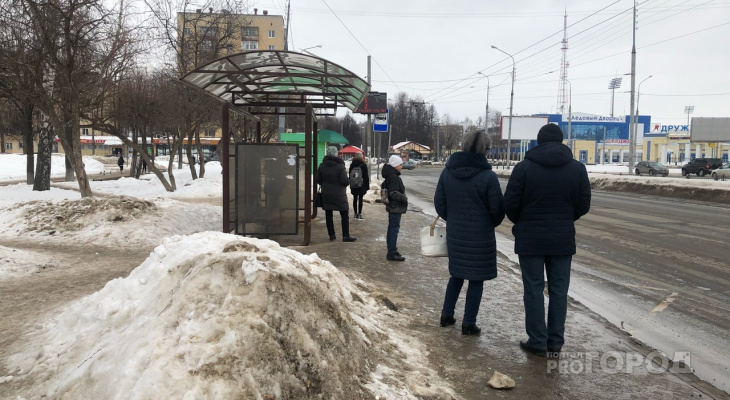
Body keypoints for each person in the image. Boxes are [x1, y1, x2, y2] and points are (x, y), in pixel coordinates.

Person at [503, 123, 591, 356]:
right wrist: (565, 218)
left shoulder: (523, 168)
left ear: (539, 142)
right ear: (561, 141)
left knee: (533, 289)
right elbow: (583, 205)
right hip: (562, 238)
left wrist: (523, 221)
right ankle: (555, 342)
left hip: (530, 239)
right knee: (559, 291)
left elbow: (510, 204)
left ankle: (538, 341)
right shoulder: (578, 169)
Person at [434, 130, 505, 335]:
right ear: (485, 150)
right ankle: (469, 323)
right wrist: (488, 223)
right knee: (476, 279)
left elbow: (440, 203)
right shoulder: (488, 176)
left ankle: (446, 314)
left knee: (456, 274)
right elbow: (497, 209)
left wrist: (454, 218)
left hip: (456, 233)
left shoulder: (447, 172)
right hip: (481, 236)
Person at [315, 146, 357, 242]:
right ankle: (346, 235)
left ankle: (332, 235)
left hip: (326, 193)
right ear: (336, 153)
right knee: (344, 213)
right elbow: (345, 181)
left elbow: (318, 180)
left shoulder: (322, 166)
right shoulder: (340, 166)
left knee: (328, 214)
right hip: (339, 194)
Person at [381, 155, 407, 261]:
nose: (401, 166)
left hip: (393, 206)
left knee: (393, 228)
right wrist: (404, 198)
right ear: (395, 165)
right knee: (393, 229)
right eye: (400, 164)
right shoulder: (394, 177)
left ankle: (392, 250)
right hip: (395, 207)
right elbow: (393, 193)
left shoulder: (390, 176)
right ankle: (391, 252)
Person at [349, 152, 370, 220]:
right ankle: (360, 214)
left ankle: (355, 214)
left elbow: (350, 175)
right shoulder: (363, 165)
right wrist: (367, 186)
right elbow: (366, 177)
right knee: (360, 199)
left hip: (353, 184)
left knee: (355, 198)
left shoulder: (352, 165)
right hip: (361, 184)